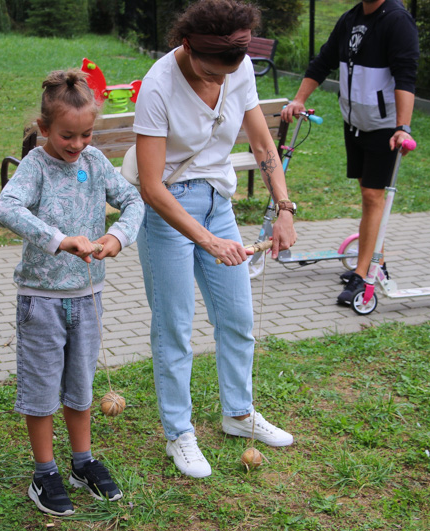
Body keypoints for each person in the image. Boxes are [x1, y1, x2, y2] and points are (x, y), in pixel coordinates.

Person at [133, 0, 296, 479]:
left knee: (238, 317)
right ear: (187, 47)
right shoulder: (159, 85)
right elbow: (151, 187)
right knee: (175, 327)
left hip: (217, 201)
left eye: (230, 73)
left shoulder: (237, 65)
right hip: (168, 211)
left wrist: (283, 208)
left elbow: (263, 144)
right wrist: (207, 241)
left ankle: (238, 413)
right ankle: (178, 433)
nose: (222, 82)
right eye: (212, 72)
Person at [0, 69, 144, 515]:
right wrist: (59, 239)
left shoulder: (96, 162)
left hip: (88, 298)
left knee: (80, 387)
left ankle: (82, 462)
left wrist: (117, 238)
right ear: (44, 129)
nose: (77, 145)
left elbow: (134, 201)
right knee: (41, 392)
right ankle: (45, 474)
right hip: (41, 300)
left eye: (86, 134)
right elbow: (6, 207)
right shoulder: (36, 166)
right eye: (67, 136)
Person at [281, 0, 418, 306]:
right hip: (355, 123)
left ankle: (364, 270)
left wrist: (403, 127)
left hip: (384, 127)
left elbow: (406, 76)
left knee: (373, 196)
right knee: (368, 195)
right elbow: (324, 61)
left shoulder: (397, 21)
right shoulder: (351, 18)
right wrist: (299, 98)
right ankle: (371, 258)